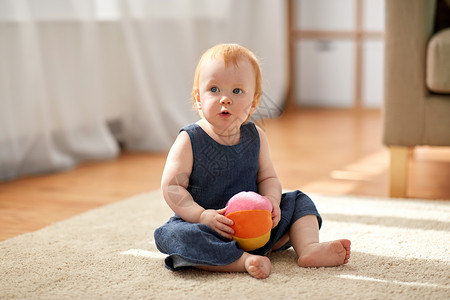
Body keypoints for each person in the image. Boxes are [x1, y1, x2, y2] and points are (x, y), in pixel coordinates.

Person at [154, 43, 351, 279]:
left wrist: (272, 202)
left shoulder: (256, 136)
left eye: (237, 91)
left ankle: (308, 249)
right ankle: (242, 261)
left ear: (254, 102)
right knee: (173, 235)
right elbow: (172, 187)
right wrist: (201, 216)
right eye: (214, 89)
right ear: (198, 98)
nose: (225, 99)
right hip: (211, 228)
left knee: (298, 200)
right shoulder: (190, 139)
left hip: (259, 227)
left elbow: (268, 177)